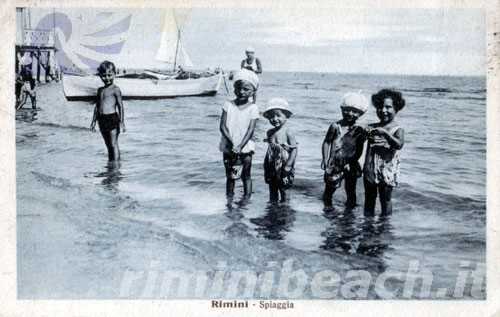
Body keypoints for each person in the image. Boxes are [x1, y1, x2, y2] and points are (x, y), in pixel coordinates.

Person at [321, 92, 368, 209]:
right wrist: (324, 159)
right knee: (330, 188)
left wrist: (355, 162)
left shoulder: (359, 130)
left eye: (355, 111)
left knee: (350, 190)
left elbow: (360, 148)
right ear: (342, 109)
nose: (350, 113)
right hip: (335, 163)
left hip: (351, 164)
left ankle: (349, 212)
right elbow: (326, 142)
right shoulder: (335, 126)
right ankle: (327, 208)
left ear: (360, 114)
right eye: (347, 110)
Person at [363, 89, 405, 217]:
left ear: (396, 109)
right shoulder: (372, 126)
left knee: (385, 199)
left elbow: (399, 144)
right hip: (370, 168)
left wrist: (385, 133)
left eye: (388, 107)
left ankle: (385, 225)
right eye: (380, 107)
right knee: (369, 198)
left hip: (387, 170)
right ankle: (368, 223)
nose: (383, 110)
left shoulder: (397, 129)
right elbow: (361, 142)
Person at [219, 69, 259, 199]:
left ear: (253, 92)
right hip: (228, 145)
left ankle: (246, 202)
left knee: (246, 175)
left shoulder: (253, 108)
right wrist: (231, 142)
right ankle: (229, 202)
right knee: (230, 176)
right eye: (238, 88)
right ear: (234, 88)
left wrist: (240, 146)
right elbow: (222, 126)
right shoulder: (228, 105)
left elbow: (250, 130)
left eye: (246, 89)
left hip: (245, 147)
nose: (241, 92)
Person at [262, 98, 298, 202]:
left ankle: (285, 209)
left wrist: (288, 166)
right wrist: (266, 166)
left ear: (286, 116)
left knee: (284, 188)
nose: (275, 119)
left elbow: (294, 150)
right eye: (271, 116)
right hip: (271, 164)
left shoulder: (288, 132)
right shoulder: (269, 132)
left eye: (278, 115)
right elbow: (270, 150)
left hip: (284, 165)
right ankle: (273, 209)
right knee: (272, 187)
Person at [90, 61, 125, 162]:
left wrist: (122, 122)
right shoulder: (100, 90)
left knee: (113, 144)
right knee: (108, 145)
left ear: (114, 74)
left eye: (110, 75)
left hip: (112, 118)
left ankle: (116, 165)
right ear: (100, 75)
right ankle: (111, 163)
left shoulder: (116, 89)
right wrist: (93, 121)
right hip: (102, 120)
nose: (107, 78)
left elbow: (120, 106)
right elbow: (97, 106)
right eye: (104, 75)